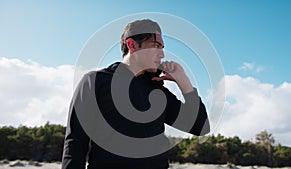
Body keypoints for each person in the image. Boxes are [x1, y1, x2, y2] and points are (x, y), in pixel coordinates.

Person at [62, 19, 210, 169]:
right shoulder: (95, 81)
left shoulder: (157, 91)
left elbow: (201, 127)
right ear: (132, 45)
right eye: (156, 46)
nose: (162, 54)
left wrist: (184, 83)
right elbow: (75, 143)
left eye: (162, 47)